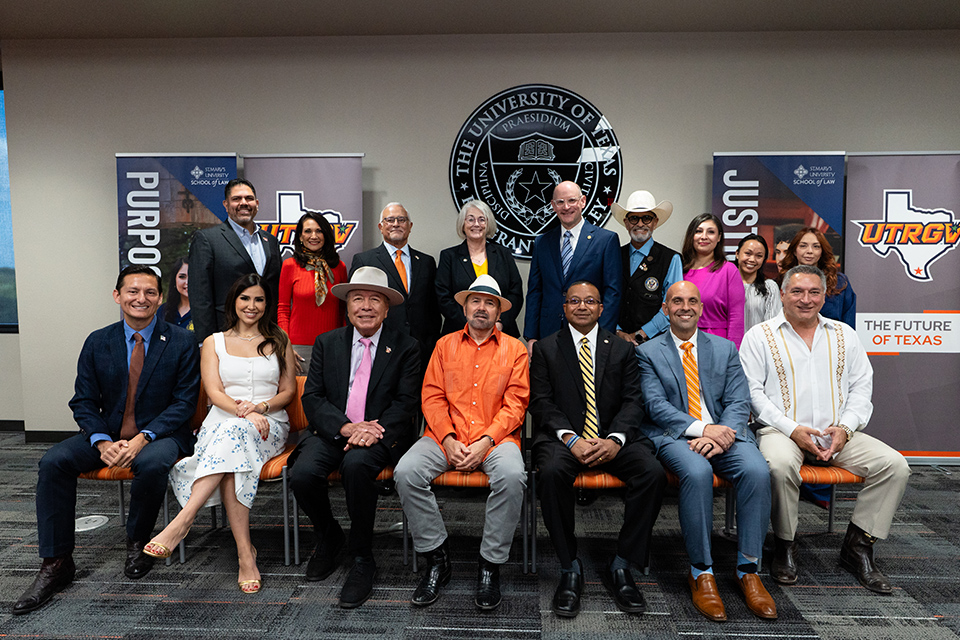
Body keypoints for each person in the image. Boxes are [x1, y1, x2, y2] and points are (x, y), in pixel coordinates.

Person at [13, 266, 200, 615]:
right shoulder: (98, 341)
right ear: (118, 296)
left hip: (160, 434)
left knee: (153, 463)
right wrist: (101, 442)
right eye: (132, 291)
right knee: (53, 461)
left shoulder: (182, 341)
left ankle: (138, 542)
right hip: (107, 436)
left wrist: (143, 438)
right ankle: (56, 562)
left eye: (149, 292)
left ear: (160, 299)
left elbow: (184, 402)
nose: (140, 298)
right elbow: (83, 400)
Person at [739, 265, 910, 593]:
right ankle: (785, 545)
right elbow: (753, 394)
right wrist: (793, 430)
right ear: (784, 295)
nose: (806, 299)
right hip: (781, 432)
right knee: (777, 465)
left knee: (895, 466)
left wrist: (844, 429)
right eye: (798, 292)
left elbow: (862, 387)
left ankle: (858, 546)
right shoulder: (759, 336)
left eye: (814, 292)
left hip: (838, 433)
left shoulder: (844, 334)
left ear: (824, 296)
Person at [143, 274, 296, 595]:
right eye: (245, 299)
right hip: (224, 423)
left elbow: (288, 392)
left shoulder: (280, 338)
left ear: (266, 305)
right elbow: (213, 390)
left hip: (269, 426)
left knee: (235, 438)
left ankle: (184, 521)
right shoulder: (213, 341)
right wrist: (246, 412)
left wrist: (261, 408)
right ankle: (245, 555)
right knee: (233, 449)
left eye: (259, 300)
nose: (251, 306)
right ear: (233, 302)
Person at [638, 281, 776, 622]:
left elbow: (738, 400)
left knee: (758, 471)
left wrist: (719, 437)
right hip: (675, 436)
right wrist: (703, 430)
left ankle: (748, 570)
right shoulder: (647, 353)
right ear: (665, 309)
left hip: (725, 434)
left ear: (701, 308)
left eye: (692, 301)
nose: (685, 307)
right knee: (697, 473)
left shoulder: (726, 349)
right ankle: (701, 571)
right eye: (677, 301)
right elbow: (655, 407)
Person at [530, 281, 666, 618]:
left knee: (652, 473)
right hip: (565, 439)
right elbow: (540, 403)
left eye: (590, 301)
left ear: (601, 308)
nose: (581, 306)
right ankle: (569, 565)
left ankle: (623, 563)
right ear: (564, 307)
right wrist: (570, 438)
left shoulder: (621, 349)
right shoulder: (547, 348)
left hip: (612, 438)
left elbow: (634, 402)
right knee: (548, 473)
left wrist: (615, 439)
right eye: (574, 301)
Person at [288, 267, 420, 609]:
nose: (365, 306)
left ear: (386, 308)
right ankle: (330, 536)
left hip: (380, 434)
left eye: (374, 299)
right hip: (334, 429)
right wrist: (347, 427)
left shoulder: (406, 346)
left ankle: (362, 557)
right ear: (347, 306)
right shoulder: (327, 342)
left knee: (357, 467)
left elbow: (407, 402)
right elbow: (313, 397)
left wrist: (371, 430)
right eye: (357, 299)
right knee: (302, 475)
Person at [395, 275, 529, 611]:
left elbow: (516, 404)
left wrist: (485, 441)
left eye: (489, 302)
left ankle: (490, 564)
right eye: (475, 301)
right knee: (406, 472)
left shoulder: (515, 349)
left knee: (513, 477)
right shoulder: (444, 345)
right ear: (464, 307)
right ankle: (437, 558)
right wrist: (449, 438)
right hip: (445, 436)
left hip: (496, 440)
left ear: (499, 311)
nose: (481, 308)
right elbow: (432, 396)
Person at [524, 181, 621, 354]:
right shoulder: (542, 242)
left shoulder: (606, 240)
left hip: (590, 332)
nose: (566, 207)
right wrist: (531, 337)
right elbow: (535, 291)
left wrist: (603, 334)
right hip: (548, 333)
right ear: (553, 206)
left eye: (572, 201)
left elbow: (612, 292)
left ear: (582, 201)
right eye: (560, 202)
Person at [189, 178, 282, 343]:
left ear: (257, 203)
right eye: (237, 199)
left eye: (249, 198)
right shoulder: (208, 239)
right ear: (226, 204)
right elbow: (200, 297)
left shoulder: (271, 241)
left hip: (266, 335)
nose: (244, 203)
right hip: (225, 335)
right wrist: (206, 342)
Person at [351, 202, 441, 371]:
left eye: (402, 219)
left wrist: (431, 341)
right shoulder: (365, 260)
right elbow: (352, 305)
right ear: (380, 226)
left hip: (420, 349)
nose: (396, 224)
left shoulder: (427, 262)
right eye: (390, 220)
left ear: (410, 226)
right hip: (380, 345)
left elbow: (433, 309)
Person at [436, 199, 524, 338]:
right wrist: (471, 325)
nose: (476, 224)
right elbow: (443, 297)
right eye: (470, 219)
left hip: (500, 332)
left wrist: (499, 322)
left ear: (488, 224)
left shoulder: (503, 254)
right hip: (460, 333)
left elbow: (516, 293)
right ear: (463, 224)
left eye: (481, 219)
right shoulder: (449, 256)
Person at [611, 189, 682, 346]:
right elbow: (606, 298)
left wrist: (642, 334)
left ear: (655, 222)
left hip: (656, 343)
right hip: (616, 343)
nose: (640, 224)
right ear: (626, 223)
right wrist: (618, 332)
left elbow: (673, 304)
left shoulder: (671, 258)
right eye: (634, 218)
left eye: (647, 218)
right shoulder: (613, 255)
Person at [278, 212, 348, 369]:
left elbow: (343, 311)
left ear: (326, 235)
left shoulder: (339, 267)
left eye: (319, 231)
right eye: (308, 231)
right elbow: (283, 309)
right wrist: (285, 345)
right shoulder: (290, 265)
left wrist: (344, 344)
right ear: (300, 237)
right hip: (298, 348)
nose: (314, 236)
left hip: (333, 346)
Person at [681, 213, 746, 348]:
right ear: (691, 236)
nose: (704, 236)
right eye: (698, 231)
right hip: (681, 341)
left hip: (716, 343)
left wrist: (732, 353)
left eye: (711, 232)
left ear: (719, 238)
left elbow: (736, 318)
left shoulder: (728, 270)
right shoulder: (679, 268)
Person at [778, 227, 856, 328]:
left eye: (816, 246)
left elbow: (849, 326)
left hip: (831, 340)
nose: (810, 251)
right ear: (794, 251)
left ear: (822, 251)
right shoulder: (781, 281)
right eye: (803, 246)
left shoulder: (839, 282)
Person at [735, 234, 781, 331]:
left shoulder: (770, 287)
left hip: (757, 344)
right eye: (748, 253)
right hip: (728, 344)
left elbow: (772, 326)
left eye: (759, 256)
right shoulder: (723, 285)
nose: (752, 259)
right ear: (737, 254)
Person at [158, 257, 193, 331]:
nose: (187, 282)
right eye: (182, 277)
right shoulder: (163, 310)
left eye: (192, 276)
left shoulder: (207, 312)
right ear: (175, 280)